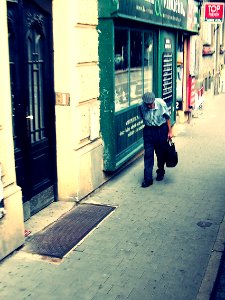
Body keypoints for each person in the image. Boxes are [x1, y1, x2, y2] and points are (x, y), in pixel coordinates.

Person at [139, 92, 173, 188]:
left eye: (151, 104)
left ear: (154, 100)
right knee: (148, 155)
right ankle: (148, 179)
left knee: (160, 153)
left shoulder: (161, 104)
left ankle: (160, 171)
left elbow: (167, 118)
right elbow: (142, 117)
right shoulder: (141, 106)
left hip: (161, 130)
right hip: (148, 131)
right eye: (147, 104)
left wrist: (170, 132)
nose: (149, 106)